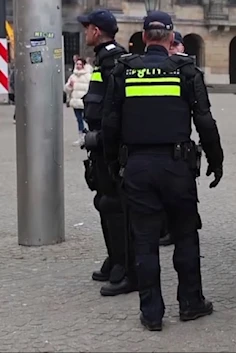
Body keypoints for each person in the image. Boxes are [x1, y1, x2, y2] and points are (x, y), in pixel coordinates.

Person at [102, 10, 224, 331]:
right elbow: (205, 122)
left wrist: (114, 164)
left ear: (144, 38)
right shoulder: (185, 70)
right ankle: (191, 303)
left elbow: (110, 124)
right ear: (171, 39)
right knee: (185, 235)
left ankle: (152, 313)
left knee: (144, 240)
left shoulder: (123, 71)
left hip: (138, 166)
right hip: (178, 166)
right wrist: (216, 160)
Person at [77, 9, 137, 296]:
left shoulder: (113, 61)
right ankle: (115, 259)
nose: (85, 32)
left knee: (115, 206)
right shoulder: (106, 60)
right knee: (105, 202)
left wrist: (104, 140)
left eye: (87, 28)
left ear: (97, 31)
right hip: (102, 145)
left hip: (111, 147)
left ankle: (124, 266)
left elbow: (117, 110)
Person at [158, 30, 186, 248]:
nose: (173, 48)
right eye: (171, 44)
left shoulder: (186, 71)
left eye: (176, 45)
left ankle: (174, 228)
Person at [64, 58, 91, 146]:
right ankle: (81, 138)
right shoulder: (73, 76)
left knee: (86, 119)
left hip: (84, 102)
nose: (78, 66)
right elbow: (67, 90)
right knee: (79, 120)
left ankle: (89, 137)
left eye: (80, 64)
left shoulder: (88, 76)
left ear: (83, 65)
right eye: (77, 64)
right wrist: (70, 86)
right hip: (75, 102)